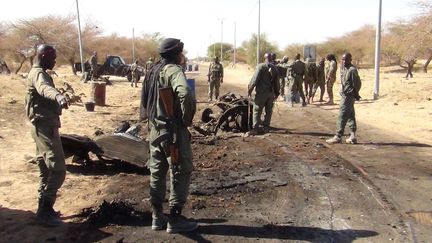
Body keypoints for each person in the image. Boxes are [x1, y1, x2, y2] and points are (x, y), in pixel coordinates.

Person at [141, 38, 197, 233]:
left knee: (157, 173)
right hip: (172, 131)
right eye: (181, 53)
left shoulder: (152, 71)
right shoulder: (173, 70)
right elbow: (185, 94)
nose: (183, 56)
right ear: (177, 54)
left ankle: (157, 217)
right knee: (180, 170)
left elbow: (145, 103)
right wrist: (186, 118)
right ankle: (175, 218)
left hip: (154, 130)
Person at [25, 44, 70, 227]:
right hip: (45, 129)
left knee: (45, 170)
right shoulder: (38, 74)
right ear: (43, 55)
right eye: (52, 57)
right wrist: (58, 96)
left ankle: (42, 209)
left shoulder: (38, 71)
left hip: (40, 127)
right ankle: (45, 209)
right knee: (58, 170)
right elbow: (44, 88)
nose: (55, 60)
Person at [326, 52, 361, 144]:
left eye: (346, 59)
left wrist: (354, 93)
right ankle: (353, 136)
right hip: (345, 95)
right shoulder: (344, 69)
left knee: (342, 114)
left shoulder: (352, 70)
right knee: (350, 115)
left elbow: (357, 84)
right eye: (342, 59)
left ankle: (338, 136)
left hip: (348, 96)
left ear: (350, 60)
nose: (344, 61)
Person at [247, 52, 280, 135]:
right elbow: (277, 82)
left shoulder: (260, 66)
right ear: (271, 58)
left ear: (264, 58)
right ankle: (266, 127)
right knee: (268, 111)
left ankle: (255, 128)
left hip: (261, 93)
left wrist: (250, 90)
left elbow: (254, 80)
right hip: (271, 94)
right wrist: (277, 93)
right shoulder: (275, 68)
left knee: (257, 110)